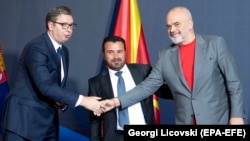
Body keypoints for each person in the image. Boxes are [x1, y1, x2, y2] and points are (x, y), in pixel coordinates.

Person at [100, 6, 244, 125]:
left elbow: (233, 83)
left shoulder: (216, 44)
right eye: (168, 26)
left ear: (190, 24)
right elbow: (147, 86)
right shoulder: (165, 55)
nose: (172, 30)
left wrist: (237, 116)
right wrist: (117, 101)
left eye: (176, 24)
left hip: (218, 122)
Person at [2, 6, 102, 141]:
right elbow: (45, 86)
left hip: (48, 124)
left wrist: (61, 101)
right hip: (24, 123)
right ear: (51, 25)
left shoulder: (64, 51)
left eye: (72, 26)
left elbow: (56, 88)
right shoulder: (37, 47)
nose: (69, 30)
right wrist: (83, 100)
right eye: (64, 25)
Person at [88, 36, 172, 141]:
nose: (116, 56)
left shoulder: (143, 71)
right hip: (115, 137)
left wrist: (187, 90)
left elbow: (163, 92)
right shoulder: (96, 82)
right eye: (110, 52)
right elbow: (95, 119)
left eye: (119, 51)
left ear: (125, 52)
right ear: (103, 55)